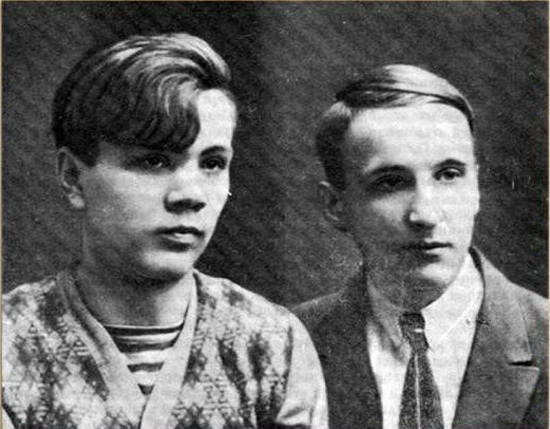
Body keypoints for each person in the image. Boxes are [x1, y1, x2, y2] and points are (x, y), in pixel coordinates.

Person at [3, 33, 327, 429]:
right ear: (73, 177)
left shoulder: (271, 343)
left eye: (212, 163)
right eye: (153, 161)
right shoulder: (10, 341)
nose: (190, 195)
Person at [294, 64, 547, 429]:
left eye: (449, 175)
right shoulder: (287, 343)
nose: (425, 214)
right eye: (391, 182)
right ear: (336, 206)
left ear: (475, 188)